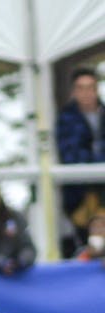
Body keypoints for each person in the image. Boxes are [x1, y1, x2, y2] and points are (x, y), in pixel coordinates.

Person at [55, 66, 105, 255]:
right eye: (80, 88)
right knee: (84, 240)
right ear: (74, 91)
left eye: (90, 87)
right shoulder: (66, 118)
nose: (86, 93)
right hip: (80, 193)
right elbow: (70, 154)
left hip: (103, 190)